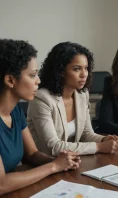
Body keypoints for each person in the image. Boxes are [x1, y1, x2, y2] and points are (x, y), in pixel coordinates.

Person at [0, 39, 80, 195]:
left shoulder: (14, 110)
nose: (39, 80)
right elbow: (1, 184)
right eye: (32, 75)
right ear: (10, 80)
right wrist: (53, 166)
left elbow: (32, 154)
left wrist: (61, 161)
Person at [27, 42, 118, 157]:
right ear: (60, 71)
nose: (84, 74)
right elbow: (53, 147)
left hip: (70, 162)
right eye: (77, 69)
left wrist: (104, 140)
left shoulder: (82, 94)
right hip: (45, 164)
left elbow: (86, 134)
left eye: (86, 68)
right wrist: (99, 147)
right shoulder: (42, 99)